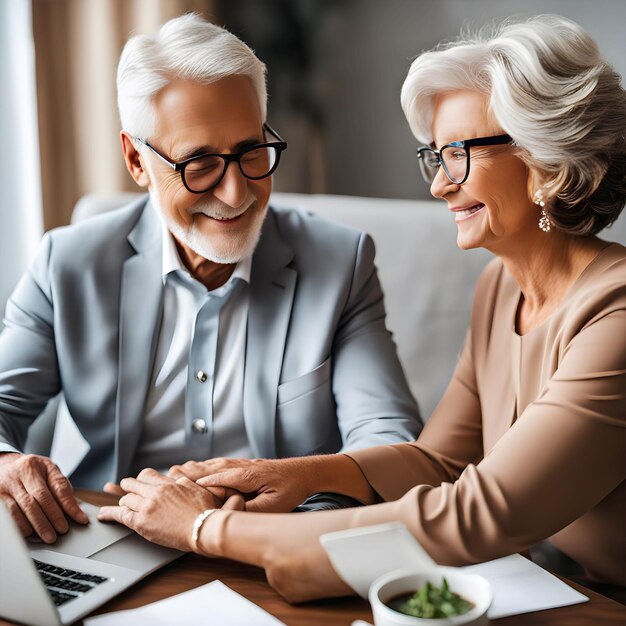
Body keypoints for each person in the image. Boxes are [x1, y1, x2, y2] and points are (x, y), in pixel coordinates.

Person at [98, 14, 626, 602]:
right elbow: (441, 461)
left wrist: (205, 528)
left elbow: (477, 512)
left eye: (459, 154)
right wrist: (293, 474)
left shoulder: (617, 317)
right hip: (562, 585)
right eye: (436, 156)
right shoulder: (500, 287)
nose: (440, 186)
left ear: (546, 164)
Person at [0, 14, 421, 544]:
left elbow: (393, 448)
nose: (235, 193)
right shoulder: (67, 263)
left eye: (251, 153)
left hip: (269, 549)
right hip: (106, 538)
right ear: (136, 159)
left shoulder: (341, 262)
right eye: (199, 164)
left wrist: (286, 487)